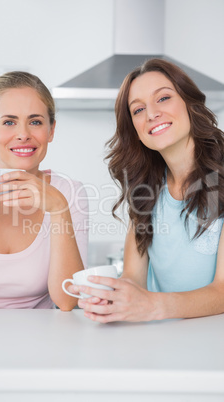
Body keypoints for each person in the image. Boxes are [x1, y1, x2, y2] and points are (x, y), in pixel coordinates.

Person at [76, 58, 224, 322]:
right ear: (135, 130)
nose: (152, 114)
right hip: (159, 342)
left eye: (164, 98)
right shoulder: (146, 192)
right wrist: (114, 297)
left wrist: (153, 306)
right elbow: (134, 277)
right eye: (138, 110)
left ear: (190, 104)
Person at [0, 71, 88, 309]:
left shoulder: (68, 192)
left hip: (40, 339)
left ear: (51, 131)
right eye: (9, 122)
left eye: (35, 122)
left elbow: (69, 301)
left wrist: (59, 209)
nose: (24, 134)